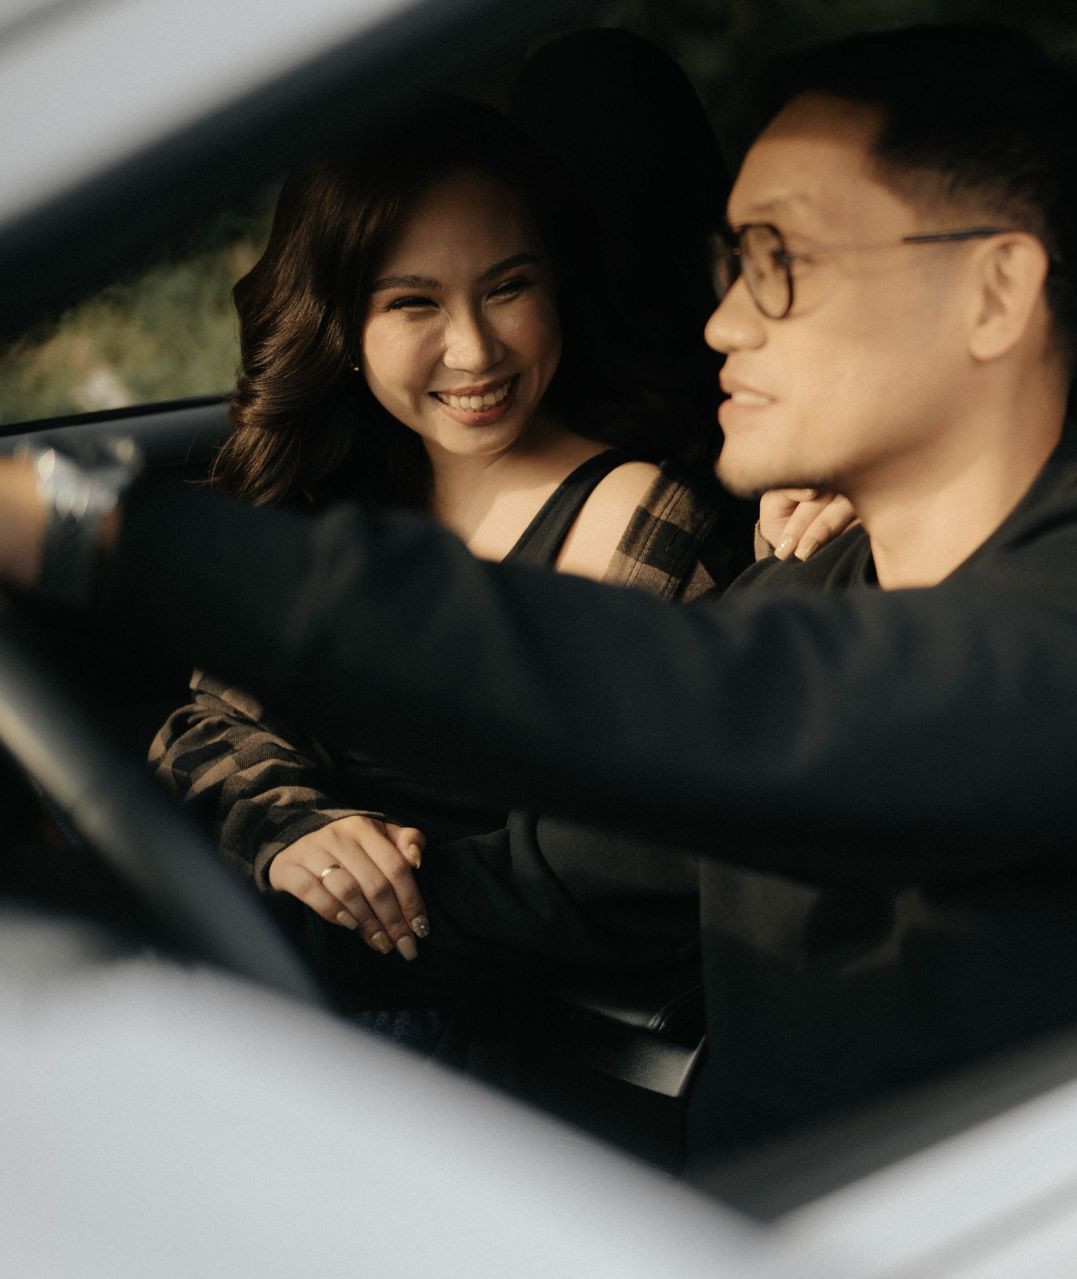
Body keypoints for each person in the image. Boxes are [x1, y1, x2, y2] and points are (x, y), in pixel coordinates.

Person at [0, 26, 1077, 1161]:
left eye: (780, 260)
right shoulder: (816, 585)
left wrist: (96, 531)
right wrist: (128, 924)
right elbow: (523, 891)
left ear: (994, 290)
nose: (723, 323)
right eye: (727, 265)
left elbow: (721, 707)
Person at [147, 94, 753, 963]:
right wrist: (297, 834)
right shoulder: (329, 496)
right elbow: (207, 729)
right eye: (413, 303)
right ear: (340, 325)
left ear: (558, 286)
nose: (474, 351)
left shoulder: (641, 516)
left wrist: (391, 898)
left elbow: (637, 848)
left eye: (508, 287)